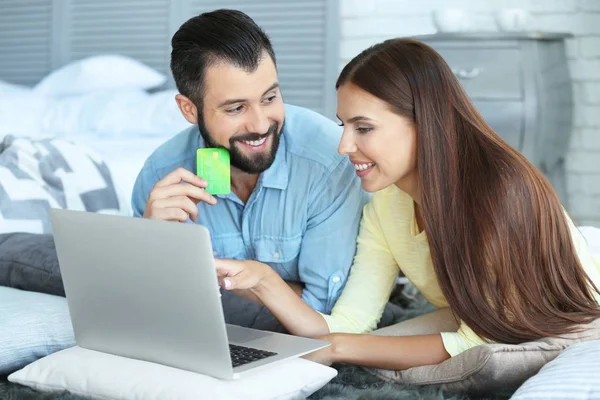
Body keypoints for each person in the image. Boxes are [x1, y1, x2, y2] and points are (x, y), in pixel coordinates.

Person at [215, 38, 600, 369]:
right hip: (473, 314)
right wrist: (263, 280)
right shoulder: (386, 203)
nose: (344, 146)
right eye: (343, 126)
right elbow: (350, 321)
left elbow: (481, 340)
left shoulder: (501, 192)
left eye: (363, 128)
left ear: (423, 122)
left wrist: (337, 349)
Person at [131, 9, 369, 331]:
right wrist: (151, 246)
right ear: (190, 109)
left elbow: (322, 311)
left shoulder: (327, 163)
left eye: (270, 97)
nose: (260, 124)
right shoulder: (159, 176)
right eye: (236, 108)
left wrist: (207, 280)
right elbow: (154, 306)